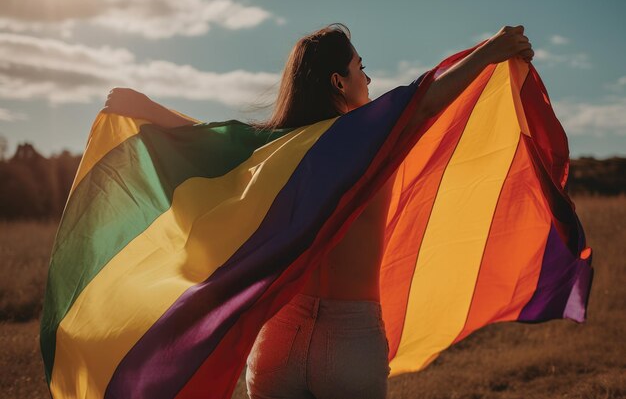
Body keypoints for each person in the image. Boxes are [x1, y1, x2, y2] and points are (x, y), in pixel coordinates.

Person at [102, 23, 533, 398]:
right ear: (339, 82)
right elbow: (425, 101)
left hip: (278, 339)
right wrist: (493, 49)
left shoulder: (277, 148)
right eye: (360, 67)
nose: (368, 76)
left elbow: (209, 140)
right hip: (350, 340)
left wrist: (141, 108)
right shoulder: (368, 138)